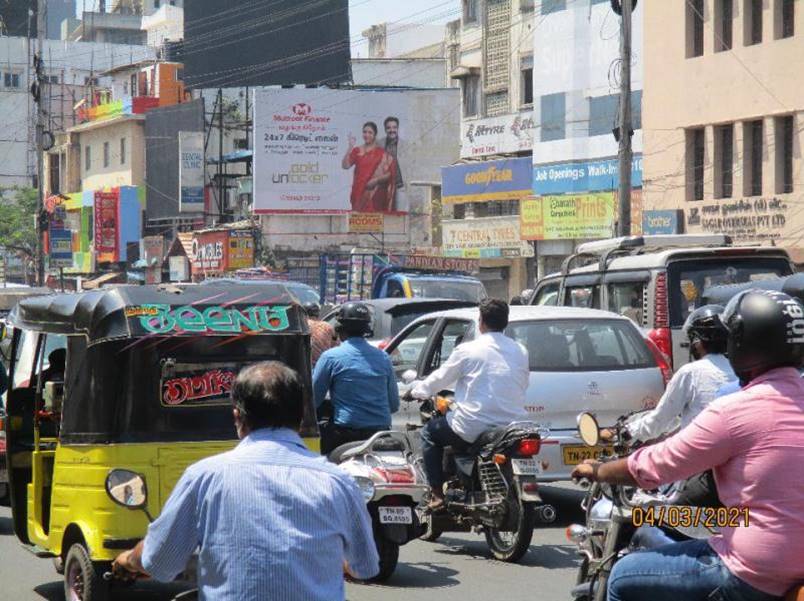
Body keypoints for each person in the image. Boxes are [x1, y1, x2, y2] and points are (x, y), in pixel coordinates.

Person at [571, 290, 804, 601]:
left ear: (740, 342)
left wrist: (600, 470)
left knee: (622, 576)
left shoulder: (733, 406)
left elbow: (658, 459)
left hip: (754, 570)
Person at [112, 362, 379, 600]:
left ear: (238, 418)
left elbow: (159, 561)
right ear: (301, 416)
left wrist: (129, 560)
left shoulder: (205, 476)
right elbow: (365, 566)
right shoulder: (338, 481)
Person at [410, 299, 529, 510]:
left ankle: (437, 494)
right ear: (505, 322)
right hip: (513, 425)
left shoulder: (468, 350)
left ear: (481, 322)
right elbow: (523, 383)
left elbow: (439, 379)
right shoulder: (520, 350)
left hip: (473, 426)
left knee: (429, 433)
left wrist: (417, 391)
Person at [602, 304, 736, 444]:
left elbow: (660, 420)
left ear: (697, 342)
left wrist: (624, 433)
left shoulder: (690, 373)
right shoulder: (739, 371)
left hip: (699, 451)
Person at [313, 302, 399, 454]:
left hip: (344, 436)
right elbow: (393, 405)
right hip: (380, 435)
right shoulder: (384, 357)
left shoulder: (331, 357)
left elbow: (313, 399)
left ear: (339, 329)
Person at [342, 121, 396, 213]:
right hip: (358, 192)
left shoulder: (381, 153)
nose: (367, 135)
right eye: (365, 132)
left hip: (373, 193)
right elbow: (345, 166)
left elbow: (390, 173)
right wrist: (350, 147)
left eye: (370, 132)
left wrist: (376, 180)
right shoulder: (357, 150)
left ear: (375, 135)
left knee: (372, 220)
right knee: (357, 219)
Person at [379, 116, 404, 211]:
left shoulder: (405, 144)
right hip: (383, 186)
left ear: (397, 129)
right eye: (389, 128)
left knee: (399, 213)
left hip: (399, 186)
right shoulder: (379, 144)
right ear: (385, 129)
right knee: (383, 213)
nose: (392, 130)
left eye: (394, 127)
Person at [303, 301, 339, 368]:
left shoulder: (303, 325)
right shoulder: (327, 326)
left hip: (305, 366)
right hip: (323, 365)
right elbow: (336, 346)